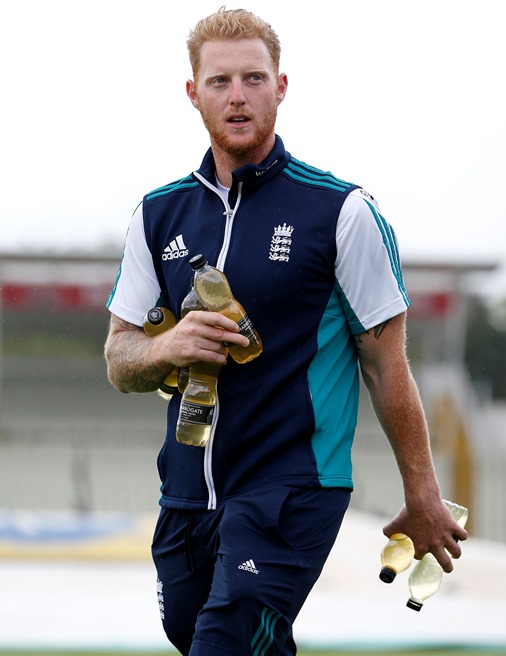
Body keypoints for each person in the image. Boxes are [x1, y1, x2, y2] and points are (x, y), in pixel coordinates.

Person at [104, 7, 467, 655]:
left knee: (226, 642)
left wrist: (423, 491)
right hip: (184, 491)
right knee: (206, 639)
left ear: (281, 85)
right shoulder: (156, 215)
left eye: (254, 78)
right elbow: (119, 357)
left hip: (293, 487)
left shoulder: (342, 212)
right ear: (193, 93)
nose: (237, 95)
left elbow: (387, 365)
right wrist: (167, 346)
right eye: (219, 82)